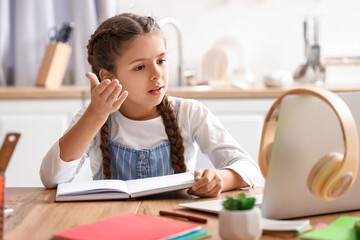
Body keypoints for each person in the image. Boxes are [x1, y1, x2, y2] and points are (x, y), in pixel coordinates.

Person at [40, 13, 261, 197]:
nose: (157, 74)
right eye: (139, 67)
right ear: (108, 76)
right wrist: (95, 115)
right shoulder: (93, 117)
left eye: (161, 61)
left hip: (176, 223)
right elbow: (52, 179)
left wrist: (219, 179)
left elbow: (248, 168)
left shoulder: (189, 113)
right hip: (113, 224)